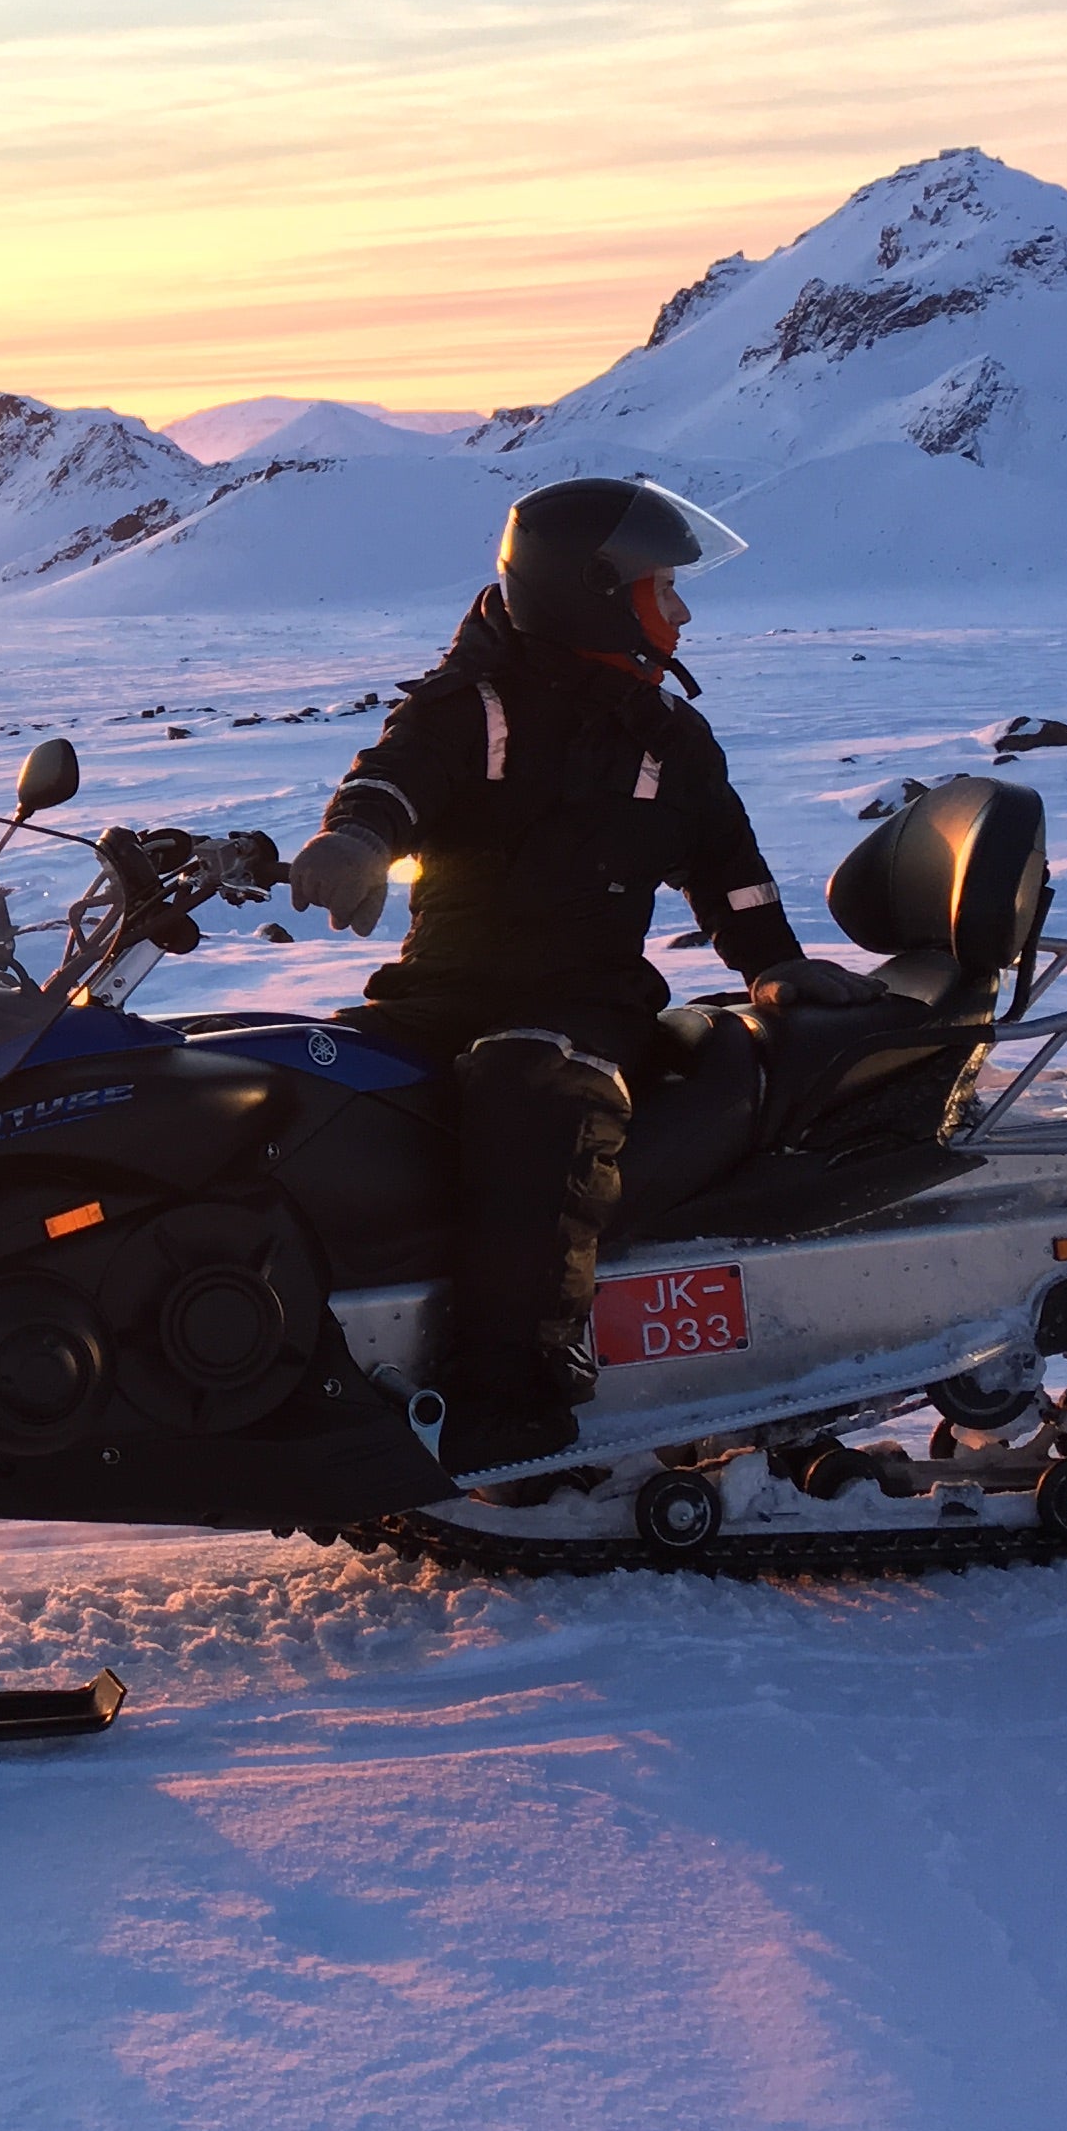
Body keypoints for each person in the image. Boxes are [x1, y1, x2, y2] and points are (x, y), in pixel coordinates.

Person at [286, 476, 884, 1471]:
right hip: (440, 997)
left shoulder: (670, 738)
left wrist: (774, 964)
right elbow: (397, 774)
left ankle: (510, 1401)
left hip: (582, 1011)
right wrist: (356, 838)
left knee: (533, 1084)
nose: (682, 612)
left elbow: (727, 875)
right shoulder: (471, 706)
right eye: (664, 589)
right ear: (597, 591)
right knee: (302, 1085)